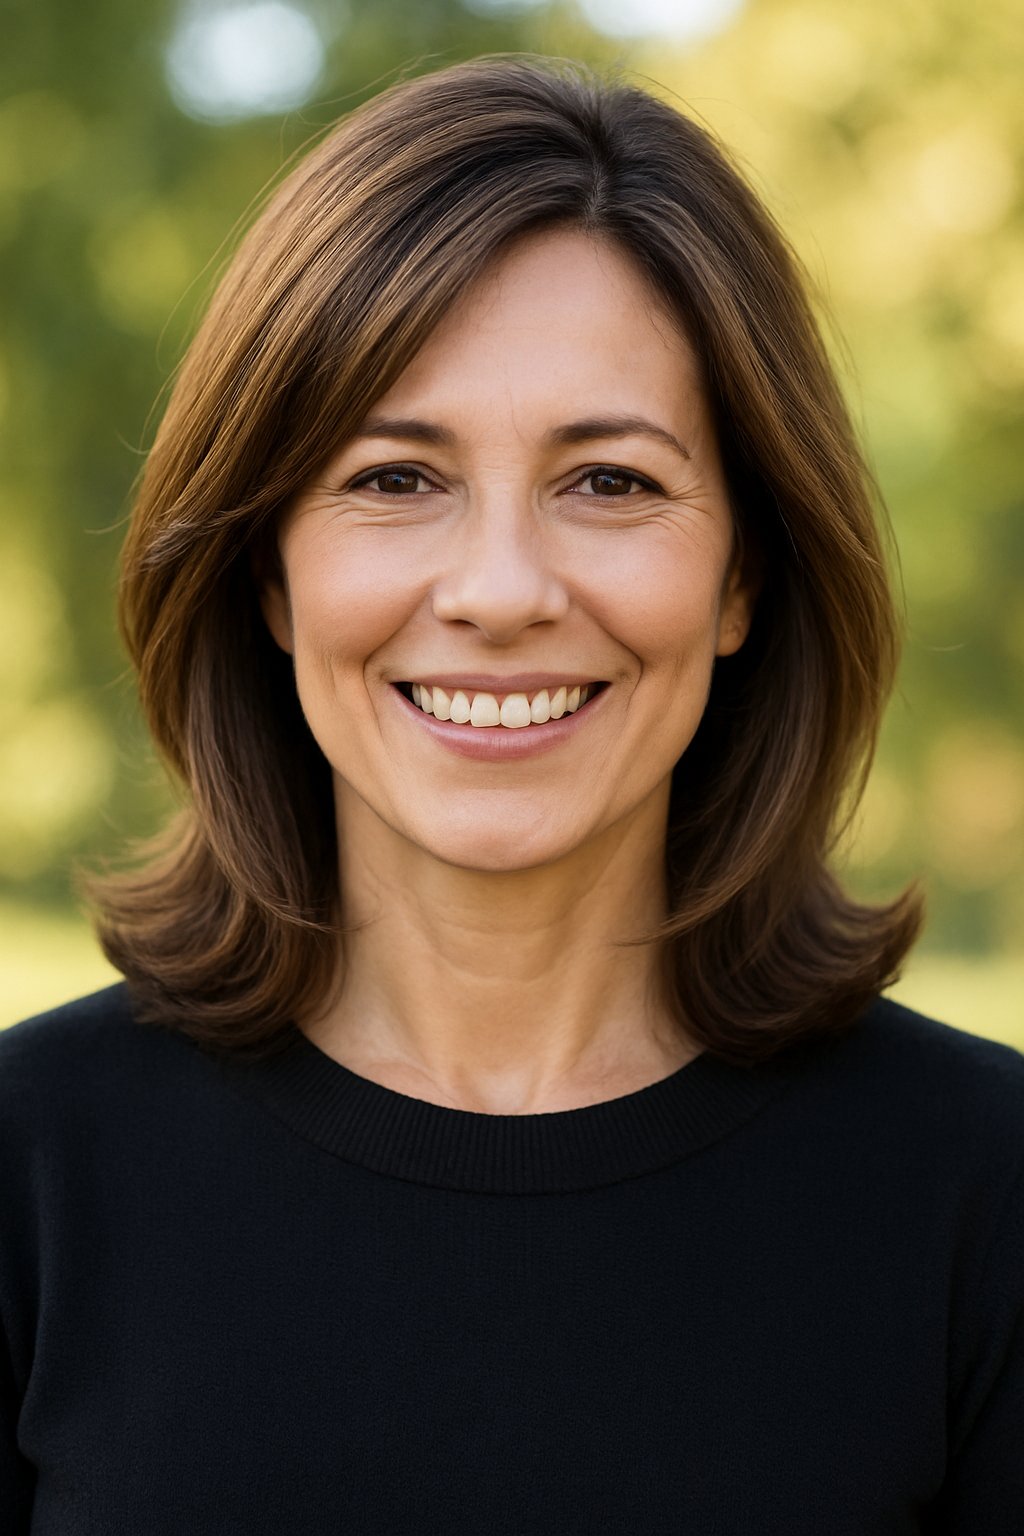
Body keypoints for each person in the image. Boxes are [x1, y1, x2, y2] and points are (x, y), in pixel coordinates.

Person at [1, 55, 1021, 1534]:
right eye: (395, 480)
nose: (498, 592)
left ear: (745, 572)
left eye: (608, 481)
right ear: (270, 574)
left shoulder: (977, 1203)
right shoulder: (34, 1178)